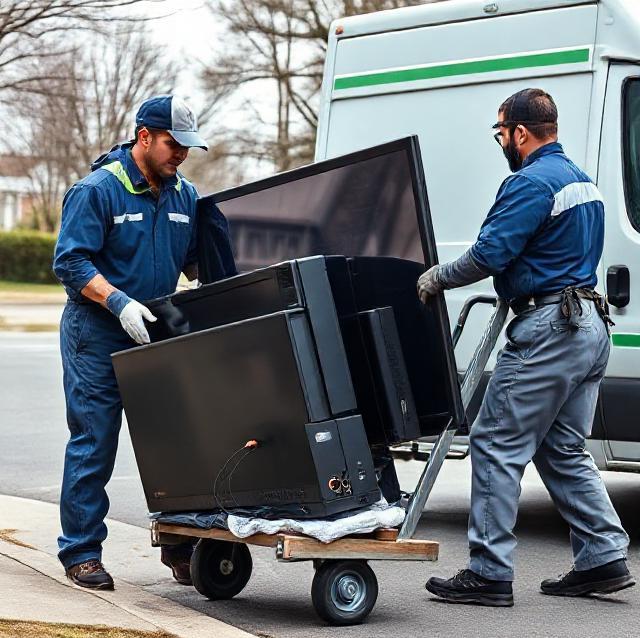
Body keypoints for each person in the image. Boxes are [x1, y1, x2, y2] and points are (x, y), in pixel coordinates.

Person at [419, 88, 633, 607]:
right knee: (561, 447)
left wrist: (437, 278)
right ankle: (603, 555)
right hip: (590, 327)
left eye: (501, 133)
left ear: (519, 132)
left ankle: (489, 573)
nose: (501, 142)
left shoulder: (529, 182)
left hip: (549, 328)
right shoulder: (586, 185)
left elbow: (490, 253)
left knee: (494, 440)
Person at [53, 95, 209, 590]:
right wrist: (118, 302)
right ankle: (81, 553)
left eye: (187, 147)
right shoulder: (97, 190)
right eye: (172, 144)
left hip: (154, 332)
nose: (180, 155)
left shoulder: (185, 195)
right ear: (144, 136)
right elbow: (70, 263)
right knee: (94, 440)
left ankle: (181, 544)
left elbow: (194, 262)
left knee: (177, 440)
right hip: (96, 333)